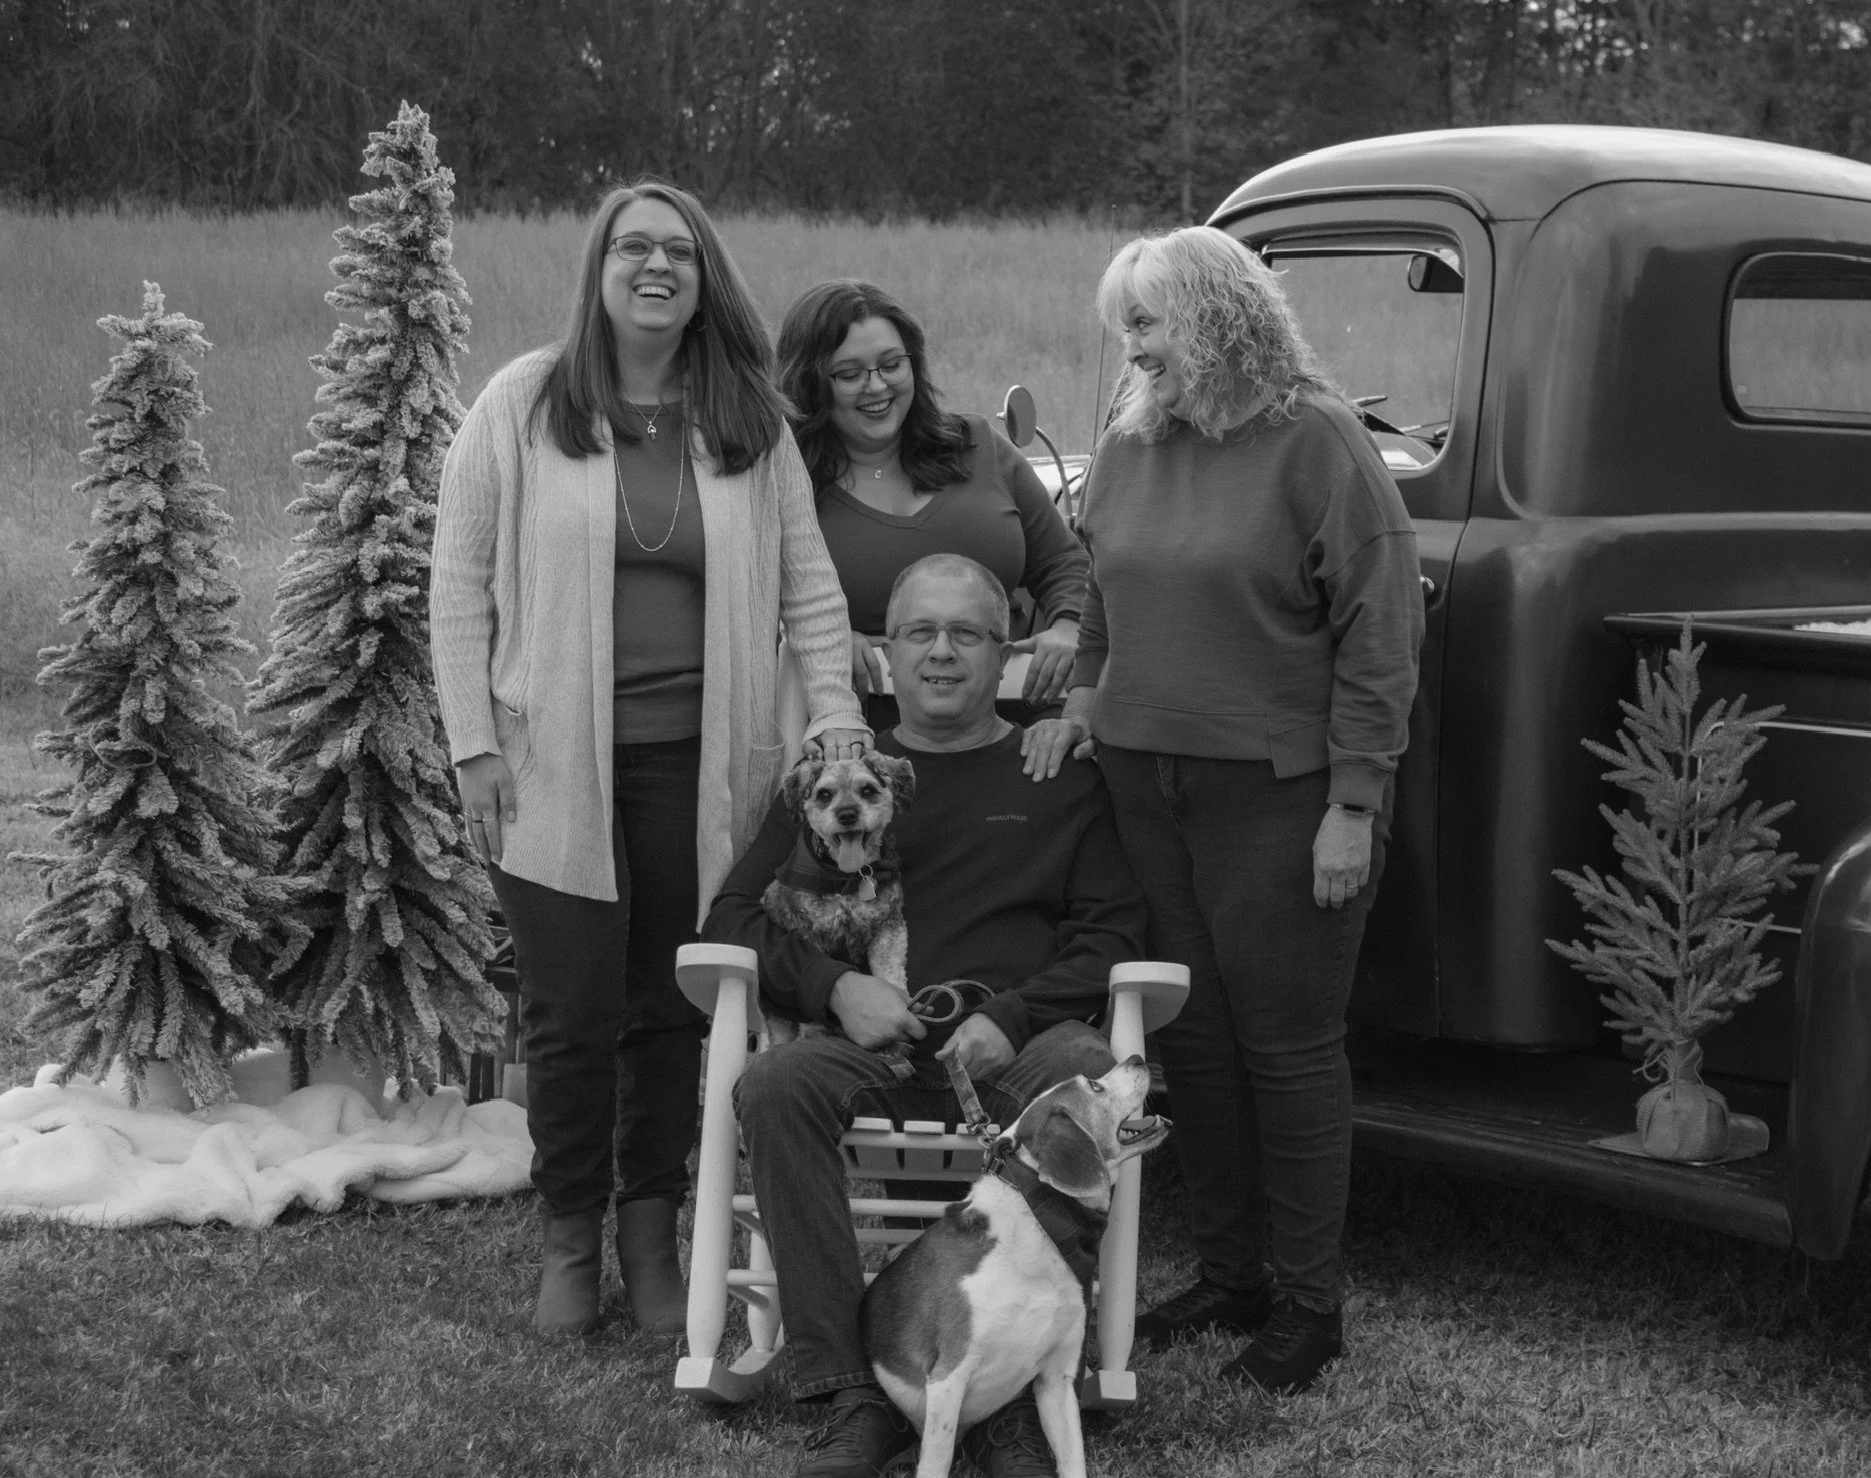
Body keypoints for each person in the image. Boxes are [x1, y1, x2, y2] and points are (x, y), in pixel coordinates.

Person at [430, 182, 869, 1339]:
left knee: (676, 1005)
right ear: (601, 268)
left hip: (703, 768)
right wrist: (472, 744)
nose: (656, 266)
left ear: (704, 277)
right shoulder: (522, 404)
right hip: (548, 767)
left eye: (679, 250)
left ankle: (651, 1232)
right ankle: (570, 1238)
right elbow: (457, 587)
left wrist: (835, 718)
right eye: (633, 247)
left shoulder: (748, 422)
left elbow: (812, 592)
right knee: (571, 1012)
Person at [1024, 225, 1425, 1395]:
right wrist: (1086, 699)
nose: (1133, 351)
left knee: (1287, 1047)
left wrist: (1355, 803)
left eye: (1148, 326)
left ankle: (1308, 1304)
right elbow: (1105, 589)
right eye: (1125, 330)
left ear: (1216, 319)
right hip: (1145, 789)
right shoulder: (1132, 440)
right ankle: (1231, 1274)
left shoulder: (1321, 445)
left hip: (1280, 796)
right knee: (1194, 1043)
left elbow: (1382, 640)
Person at [704, 553, 1146, 1478]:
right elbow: (730, 919)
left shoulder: (1056, 775)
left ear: (1006, 649)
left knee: (1079, 1066)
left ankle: (1020, 1398)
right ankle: (850, 1390)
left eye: (968, 633)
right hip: (865, 1044)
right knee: (776, 1085)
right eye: (919, 632)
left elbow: (1112, 934)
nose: (942, 653)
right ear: (885, 652)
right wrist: (835, 989)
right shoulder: (834, 780)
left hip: (1012, 1047)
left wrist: (1011, 1016)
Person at [776, 280, 1089, 729]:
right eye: (849, 374)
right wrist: (820, 639)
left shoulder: (978, 444)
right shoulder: (784, 483)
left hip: (1020, 723)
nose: (876, 386)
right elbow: (753, 607)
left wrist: (1069, 626)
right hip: (863, 740)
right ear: (809, 383)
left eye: (892, 365)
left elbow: (1063, 563)